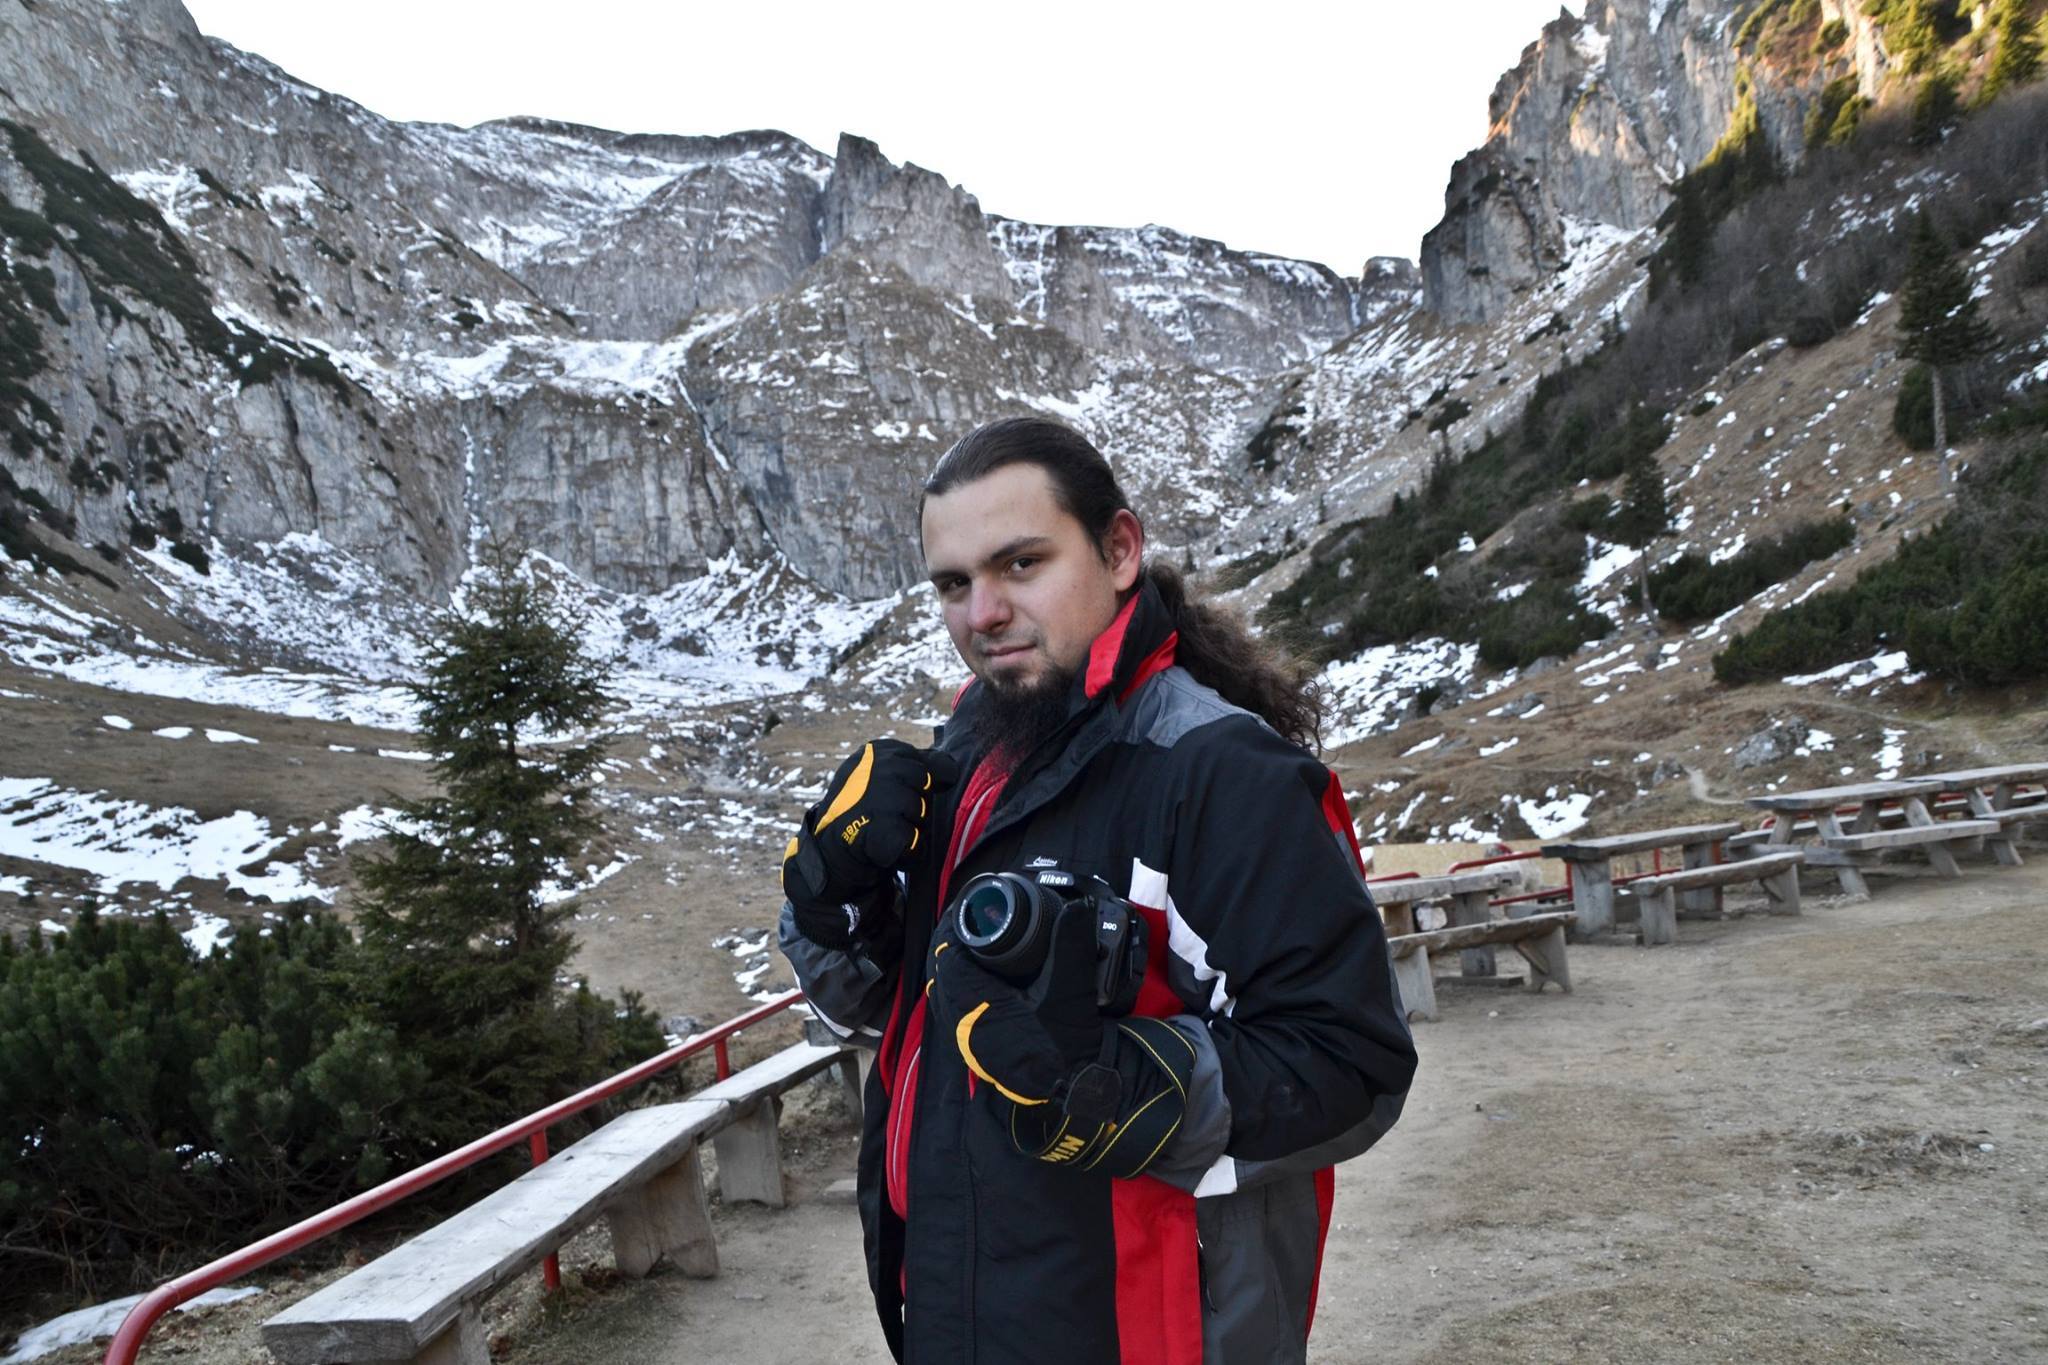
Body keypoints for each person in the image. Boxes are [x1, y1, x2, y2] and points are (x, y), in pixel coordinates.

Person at [778, 416, 1417, 1364]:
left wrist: (1106, 1085)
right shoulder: (972, 755)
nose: (982, 612)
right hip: (955, 1307)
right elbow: (904, 1014)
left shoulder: (1220, 773)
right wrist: (834, 901)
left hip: (1146, 1329)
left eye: (1020, 563)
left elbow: (1351, 1064)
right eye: (953, 583)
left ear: (1119, 551)